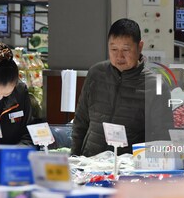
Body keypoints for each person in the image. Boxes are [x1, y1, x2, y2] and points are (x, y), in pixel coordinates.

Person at [72, 18, 174, 157]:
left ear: (140, 47)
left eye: (126, 49)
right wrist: (75, 158)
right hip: (90, 162)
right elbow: (80, 122)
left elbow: (162, 137)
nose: (119, 56)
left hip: (130, 168)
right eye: (114, 49)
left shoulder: (155, 86)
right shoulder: (96, 73)